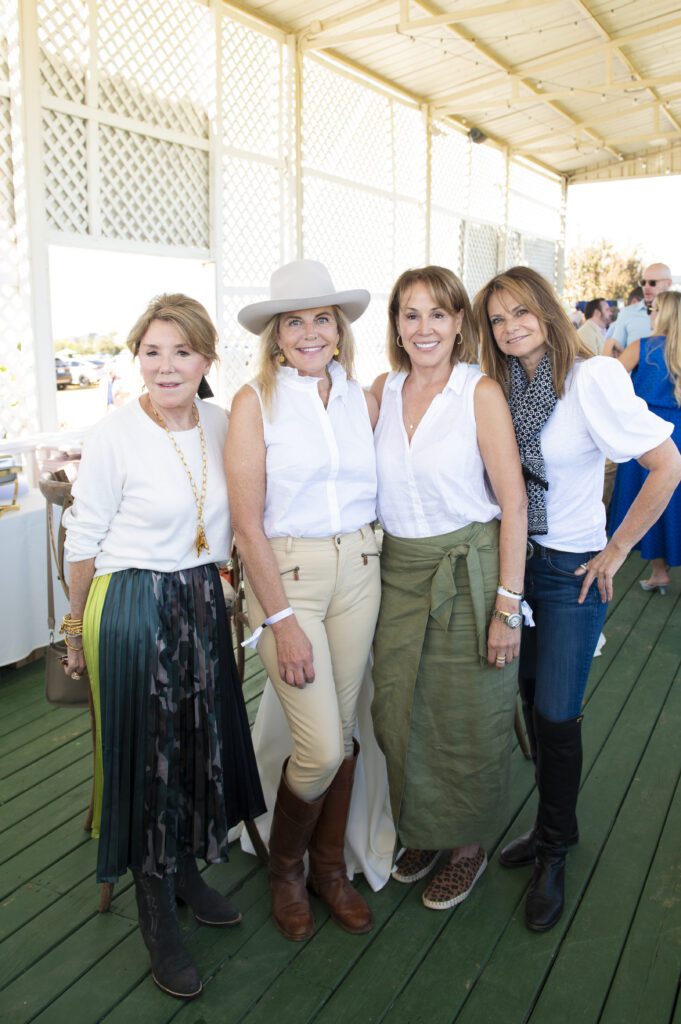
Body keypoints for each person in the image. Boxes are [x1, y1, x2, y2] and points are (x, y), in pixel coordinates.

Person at [62, 295, 265, 1000]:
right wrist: (73, 627)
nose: (166, 366)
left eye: (181, 352)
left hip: (201, 601)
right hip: (132, 606)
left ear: (207, 358)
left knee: (196, 746)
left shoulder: (221, 421)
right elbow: (83, 541)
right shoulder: (115, 432)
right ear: (137, 359)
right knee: (150, 763)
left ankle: (182, 872)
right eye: (151, 351)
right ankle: (156, 915)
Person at [475, 266, 681, 933]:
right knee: (532, 709)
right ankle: (545, 829)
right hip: (511, 563)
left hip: (569, 570)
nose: (509, 327)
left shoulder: (590, 377)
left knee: (557, 715)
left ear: (546, 308)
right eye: (497, 318)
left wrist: (618, 547)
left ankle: (555, 850)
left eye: (519, 312)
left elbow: (665, 462)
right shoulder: (498, 385)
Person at [226, 259, 390, 943]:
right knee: (319, 748)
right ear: (275, 334)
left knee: (346, 733)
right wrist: (280, 620)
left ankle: (330, 868)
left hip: (360, 566)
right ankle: (286, 869)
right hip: (286, 577)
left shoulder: (363, 397)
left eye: (322, 318)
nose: (310, 332)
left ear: (339, 329)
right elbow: (244, 523)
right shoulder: (253, 402)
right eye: (294, 321)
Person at [370, 266, 528, 911]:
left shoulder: (479, 392)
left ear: (460, 322)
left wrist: (507, 609)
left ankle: (467, 845)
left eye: (438, 314)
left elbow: (513, 505)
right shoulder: (381, 389)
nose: (424, 327)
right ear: (397, 326)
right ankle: (427, 832)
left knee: (467, 714)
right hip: (398, 572)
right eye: (411, 314)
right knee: (402, 711)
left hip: (470, 569)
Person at [609, 290, 681, 592]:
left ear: (661, 314)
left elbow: (607, 380)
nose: (650, 315)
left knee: (650, 500)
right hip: (676, 431)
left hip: (648, 435)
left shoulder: (644, 347)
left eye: (653, 310)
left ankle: (659, 571)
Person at [604, 262, 673, 355]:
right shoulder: (627, 313)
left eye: (653, 283)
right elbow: (615, 350)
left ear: (668, 283)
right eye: (643, 283)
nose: (646, 287)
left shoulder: (677, 313)